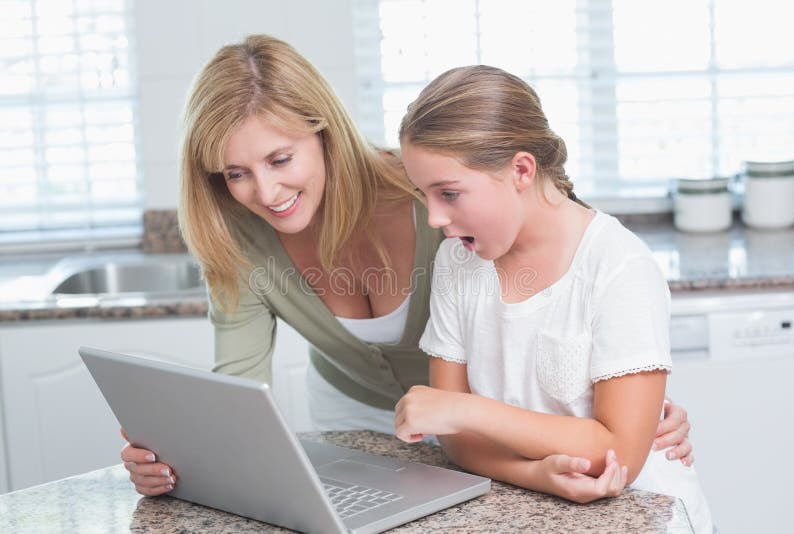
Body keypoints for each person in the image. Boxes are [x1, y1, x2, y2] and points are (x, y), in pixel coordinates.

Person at [120, 35, 695, 501]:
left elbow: (558, 252)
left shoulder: (433, 192)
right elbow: (235, 393)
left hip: (488, 418)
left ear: (323, 133)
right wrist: (177, 456)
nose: (266, 193)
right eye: (235, 173)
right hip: (378, 418)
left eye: (280, 158)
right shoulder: (239, 238)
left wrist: (623, 415)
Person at [392, 65, 713, 531]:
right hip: (531, 506)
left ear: (521, 170)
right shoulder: (456, 263)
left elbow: (620, 454)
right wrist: (532, 475)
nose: (435, 218)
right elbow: (456, 439)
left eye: (450, 194)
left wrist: (465, 409)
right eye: (425, 195)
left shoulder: (617, 265)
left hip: (645, 513)